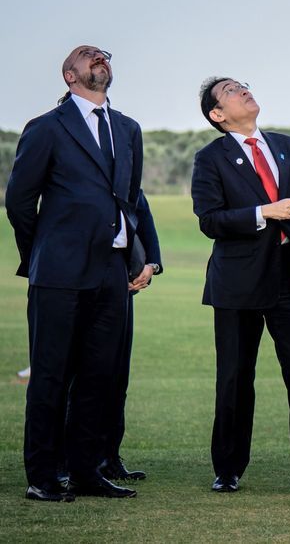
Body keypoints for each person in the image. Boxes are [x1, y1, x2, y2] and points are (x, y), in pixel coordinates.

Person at [6, 45, 145, 501]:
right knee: (50, 375)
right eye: (87, 56)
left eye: (103, 55)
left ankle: (87, 471)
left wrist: (135, 254)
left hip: (112, 271)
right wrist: (44, 251)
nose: (99, 58)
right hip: (60, 272)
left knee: (98, 375)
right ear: (70, 75)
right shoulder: (46, 128)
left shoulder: (128, 129)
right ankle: (43, 477)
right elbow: (20, 201)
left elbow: (130, 200)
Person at [191, 77, 290, 494]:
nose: (244, 92)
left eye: (244, 86)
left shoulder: (288, 146)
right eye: (232, 91)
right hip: (236, 282)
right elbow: (209, 220)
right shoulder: (210, 158)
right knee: (236, 376)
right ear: (217, 115)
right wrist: (263, 212)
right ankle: (228, 468)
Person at [99, 190, 162, 482]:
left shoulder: (128, 179)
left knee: (116, 377)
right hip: (82, 284)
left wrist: (151, 265)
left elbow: (145, 220)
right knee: (79, 378)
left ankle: (110, 458)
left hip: (124, 291)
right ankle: (70, 460)